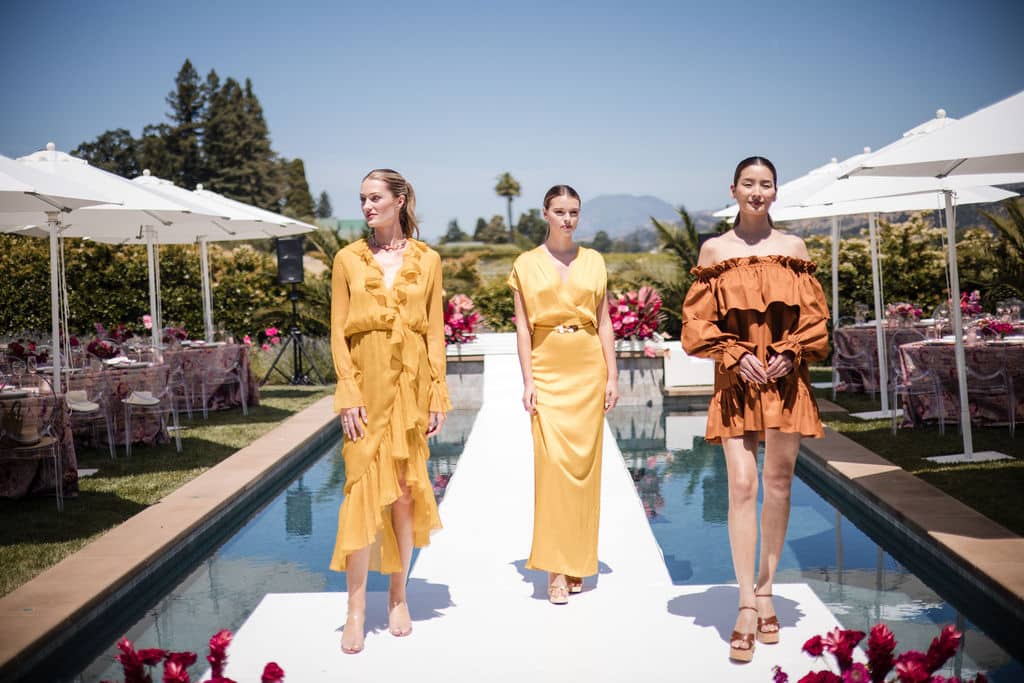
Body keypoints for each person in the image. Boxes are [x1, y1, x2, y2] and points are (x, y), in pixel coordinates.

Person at [681, 157, 829, 663]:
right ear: (734, 190)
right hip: (736, 381)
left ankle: (767, 591)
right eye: (749, 184)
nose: (757, 191)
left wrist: (790, 352)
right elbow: (696, 323)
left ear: (776, 192)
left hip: (785, 381)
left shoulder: (794, 248)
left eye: (766, 184)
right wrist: (735, 353)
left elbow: (816, 318)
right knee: (743, 486)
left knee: (779, 484)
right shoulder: (714, 250)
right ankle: (746, 604)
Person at [329, 169, 451, 654]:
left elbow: (435, 332)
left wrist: (437, 391)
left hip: (411, 387)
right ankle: (355, 610)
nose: (367, 206)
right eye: (362, 199)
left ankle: (398, 597)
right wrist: (348, 391)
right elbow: (338, 331)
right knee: (359, 493)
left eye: (375, 197)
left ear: (400, 200)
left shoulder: (429, 259)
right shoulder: (346, 259)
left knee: (403, 494)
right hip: (366, 385)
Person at [508, 185, 619, 605]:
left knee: (584, 472)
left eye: (573, 212)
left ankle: (576, 561)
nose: (567, 219)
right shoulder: (525, 264)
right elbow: (523, 327)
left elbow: (605, 322)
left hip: (588, 369)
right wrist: (528, 380)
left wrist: (612, 375)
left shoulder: (594, 261)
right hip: (547, 370)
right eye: (559, 211)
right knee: (552, 468)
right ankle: (555, 568)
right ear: (545, 214)